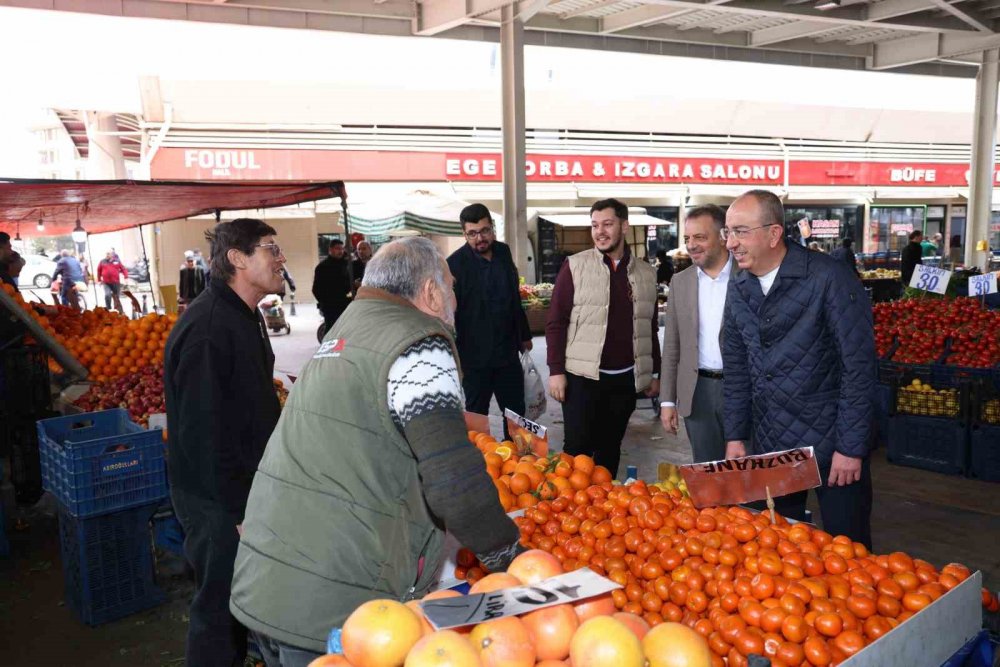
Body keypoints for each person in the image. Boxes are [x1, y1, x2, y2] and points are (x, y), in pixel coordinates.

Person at [230, 237, 524, 665]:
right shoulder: (420, 345)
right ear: (430, 292)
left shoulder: (349, 327)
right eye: (452, 286)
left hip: (270, 580)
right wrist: (511, 561)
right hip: (331, 599)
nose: (456, 299)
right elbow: (453, 480)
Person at [721, 190, 875, 548]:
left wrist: (850, 448)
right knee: (774, 549)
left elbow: (858, 366)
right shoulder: (739, 286)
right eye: (728, 232)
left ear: (773, 234)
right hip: (771, 442)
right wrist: (736, 436)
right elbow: (738, 369)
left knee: (849, 552)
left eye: (740, 232)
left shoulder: (828, 278)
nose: (730, 243)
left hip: (833, 445)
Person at [164, 218, 286, 667]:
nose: (281, 258)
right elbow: (202, 433)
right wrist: (236, 510)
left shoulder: (243, 314)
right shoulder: (210, 328)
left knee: (239, 600)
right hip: (216, 497)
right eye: (270, 249)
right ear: (237, 258)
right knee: (219, 608)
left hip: (240, 488)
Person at [546, 199, 660, 478]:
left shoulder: (646, 274)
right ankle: (569, 512)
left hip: (624, 380)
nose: (600, 232)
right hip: (582, 378)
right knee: (577, 449)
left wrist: (653, 372)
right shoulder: (575, 266)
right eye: (595, 225)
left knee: (610, 447)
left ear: (624, 226)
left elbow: (649, 327)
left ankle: (601, 510)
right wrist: (556, 371)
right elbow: (556, 322)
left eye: (607, 224)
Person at [447, 203, 532, 437]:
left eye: (484, 231)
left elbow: (514, 297)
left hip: (507, 353)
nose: (480, 238)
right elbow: (448, 313)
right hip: (474, 359)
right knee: (476, 416)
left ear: (492, 228)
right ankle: (480, 466)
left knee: (517, 416)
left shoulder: (503, 252)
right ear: (464, 234)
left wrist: (524, 335)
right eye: (472, 233)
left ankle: (522, 466)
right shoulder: (453, 265)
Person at [659, 205, 733, 464]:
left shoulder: (748, 276)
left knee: (747, 476)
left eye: (700, 237)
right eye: (688, 238)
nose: (691, 245)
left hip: (742, 391)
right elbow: (671, 347)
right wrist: (667, 400)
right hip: (697, 392)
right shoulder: (681, 282)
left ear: (724, 236)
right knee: (708, 474)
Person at [312, 239, 352, 338]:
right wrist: (325, 303)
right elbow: (316, 289)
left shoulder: (346, 265)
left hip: (346, 305)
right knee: (332, 332)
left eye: (342, 249)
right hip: (331, 308)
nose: (340, 251)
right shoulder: (322, 267)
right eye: (337, 248)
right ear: (330, 250)